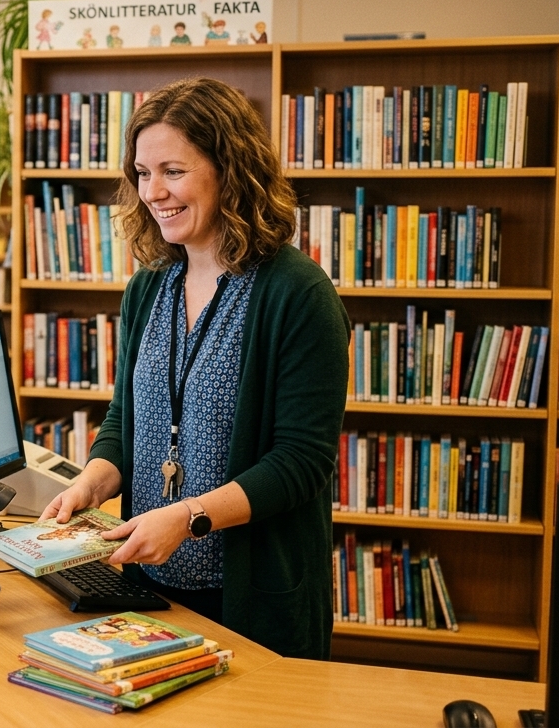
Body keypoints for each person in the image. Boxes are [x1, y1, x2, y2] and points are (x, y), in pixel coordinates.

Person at [42, 77, 349, 660]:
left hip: (252, 603)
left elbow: (300, 463)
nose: (153, 191)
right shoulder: (148, 287)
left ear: (230, 170)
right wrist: (93, 480)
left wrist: (189, 517)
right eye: (141, 172)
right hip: (148, 591)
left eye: (173, 171)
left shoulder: (297, 293)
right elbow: (125, 417)